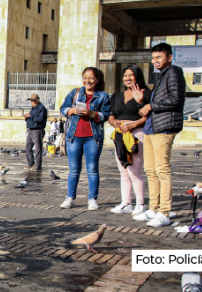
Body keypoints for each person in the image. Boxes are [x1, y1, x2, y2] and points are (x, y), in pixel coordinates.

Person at [132, 43, 185, 228]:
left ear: (169, 57)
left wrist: (151, 105)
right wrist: (144, 101)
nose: (155, 61)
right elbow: (159, 101)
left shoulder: (174, 72)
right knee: (151, 170)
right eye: (153, 58)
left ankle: (165, 212)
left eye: (159, 57)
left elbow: (175, 99)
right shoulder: (162, 76)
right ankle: (153, 208)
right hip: (152, 128)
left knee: (162, 169)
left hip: (165, 127)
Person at [59, 67, 111, 211]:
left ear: (97, 79)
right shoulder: (75, 93)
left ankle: (92, 199)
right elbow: (63, 109)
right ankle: (70, 198)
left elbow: (106, 115)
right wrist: (71, 110)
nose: (87, 81)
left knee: (92, 169)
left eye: (91, 78)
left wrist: (92, 113)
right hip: (74, 137)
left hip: (93, 138)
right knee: (74, 169)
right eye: (85, 77)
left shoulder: (102, 96)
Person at [108, 65, 152, 216]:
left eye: (131, 75)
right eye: (125, 75)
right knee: (123, 171)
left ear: (137, 76)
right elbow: (112, 114)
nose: (127, 78)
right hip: (120, 134)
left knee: (135, 172)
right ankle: (126, 203)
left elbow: (148, 116)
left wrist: (133, 125)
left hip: (136, 134)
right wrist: (113, 122)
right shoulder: (117, 95)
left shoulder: (145, 93)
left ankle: (140, 205)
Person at [24, 94, 48, 171]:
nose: (32, 102)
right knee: (28, 147)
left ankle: (38, 165)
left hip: (37, 130)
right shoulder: (33, 108)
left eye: (33, 100)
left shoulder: (41, 108)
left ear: (37, 100)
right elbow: (32, 118)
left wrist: (30, 116)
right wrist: (26, 117)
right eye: (31, 100)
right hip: (31, 129)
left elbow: (40, 119)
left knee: (38, 148)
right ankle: (30, 164)